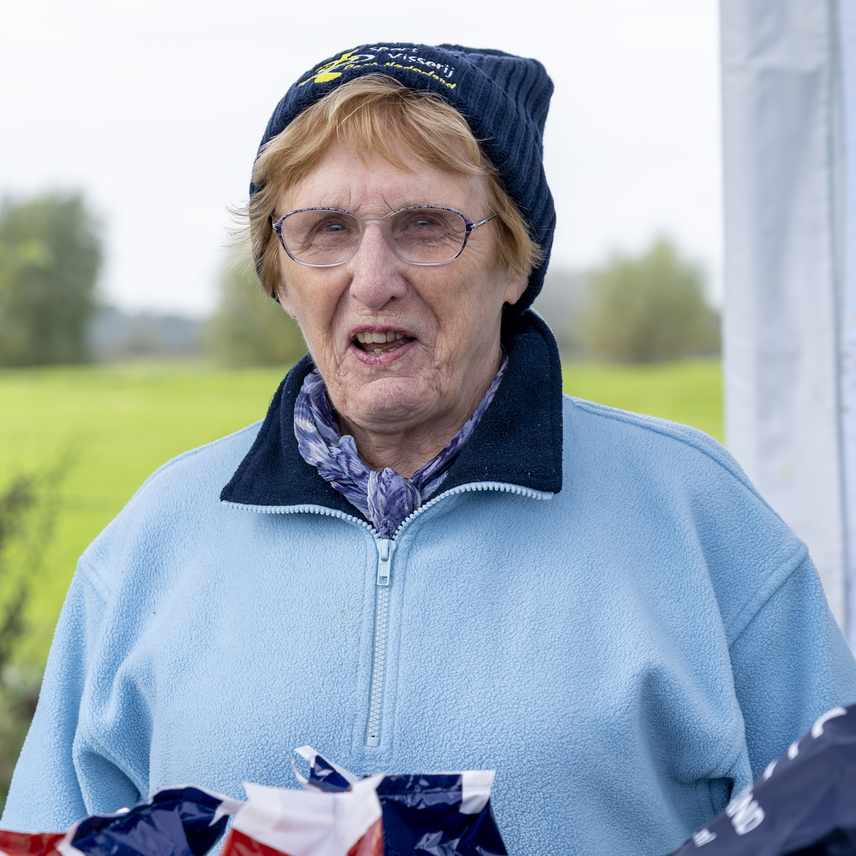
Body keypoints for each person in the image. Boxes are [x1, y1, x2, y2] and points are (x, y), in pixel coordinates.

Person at [3, 42, 856, 856]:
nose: (373, 280)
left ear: (514, 261)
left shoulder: (697, 518)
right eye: (327, 229)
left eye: (424, 225)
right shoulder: (152, 542)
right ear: (279, 274)